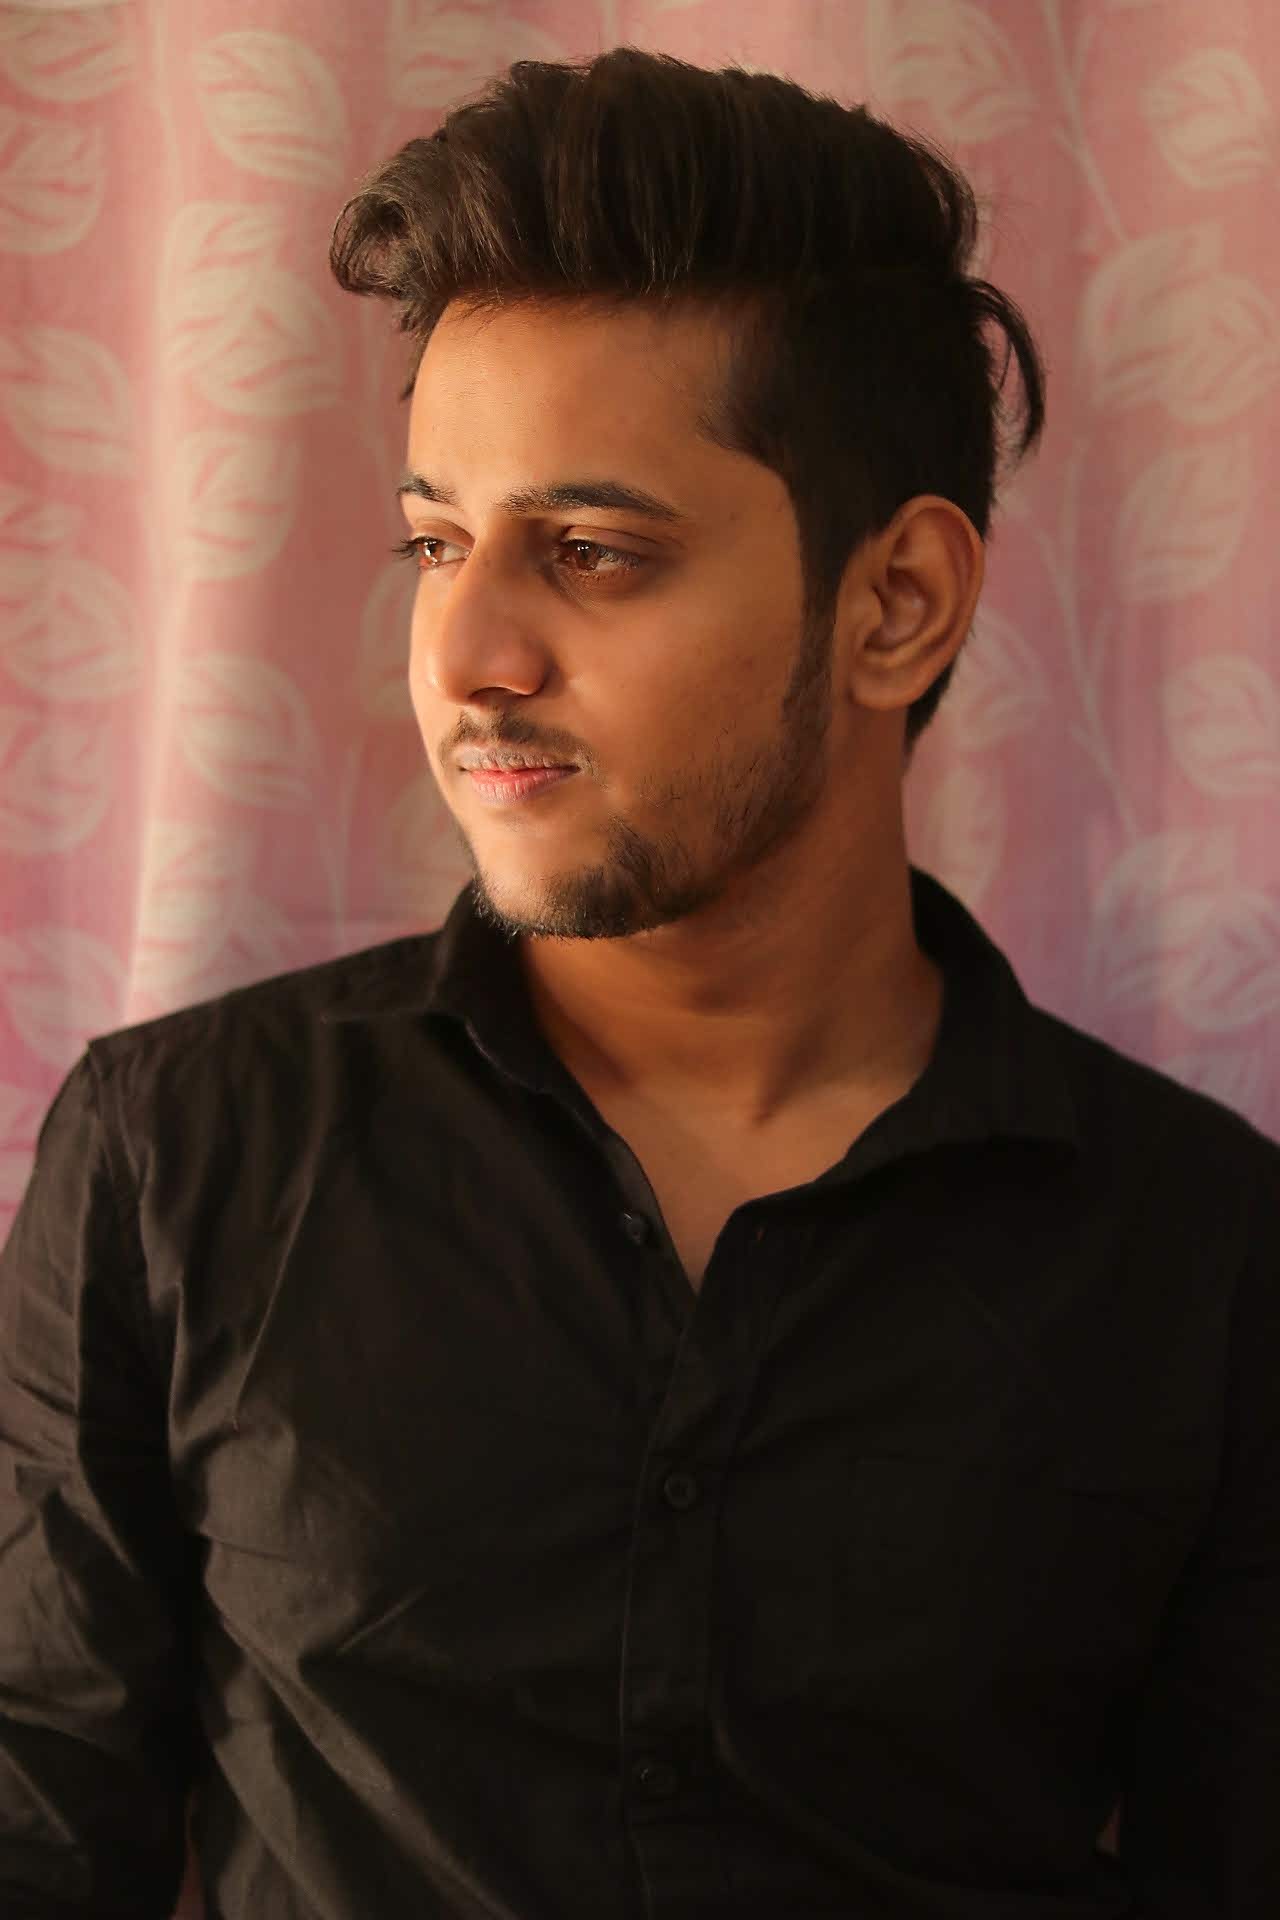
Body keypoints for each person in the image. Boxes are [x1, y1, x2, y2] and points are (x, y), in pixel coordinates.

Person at [1, 44, 1276, 1920]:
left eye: (591, 553)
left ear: (898, 602)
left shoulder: (1203, 1251)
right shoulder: (173, 1151)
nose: (467, 654)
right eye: (437, 543)